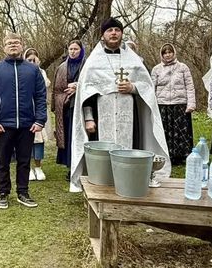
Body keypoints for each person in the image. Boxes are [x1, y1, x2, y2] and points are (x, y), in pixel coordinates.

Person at [71, 18, 170, 193]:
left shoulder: (134, 61)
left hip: (129, 116)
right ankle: (102, 187)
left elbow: (147, 87)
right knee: (101, 155)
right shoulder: (93, 62)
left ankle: (129, 183)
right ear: (103, 35)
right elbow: (86, 96)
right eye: (109, 30)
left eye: (117, 30)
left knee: (130, 150)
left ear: (122, 33)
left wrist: (133, 87)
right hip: (102, 116)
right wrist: (88, 118)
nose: (114, 33)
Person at [0, 33, 48, 209]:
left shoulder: (33, 70)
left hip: (27, 124)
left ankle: (23, 192)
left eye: (16, 43)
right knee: (3, 161)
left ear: (21, 46)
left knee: (24, 160)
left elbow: (41, 96)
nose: (13, 45)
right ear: (4, 47)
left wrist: (40, 119)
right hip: (3, 125)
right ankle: (3, 193)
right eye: (9, 43)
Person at [150, 44, 196, 166]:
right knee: (165, 131)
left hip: (180, 103)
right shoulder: (156, 69)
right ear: (162, 55)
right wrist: (152, 105)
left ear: (174, 53)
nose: (168, 54)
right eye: (165, 53)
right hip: (162, 104)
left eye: (170, 52)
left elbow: (190, 86)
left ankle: (182, 156)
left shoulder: (183, 67)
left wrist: (191, 103)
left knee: (181, 132)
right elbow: (152, 88)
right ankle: (167, 155)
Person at [53, 40, 85, 174]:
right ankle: (69, 166)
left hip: (81, 105)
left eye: (76, 49)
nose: (72, 52)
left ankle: (81, 165)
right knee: (67, 135)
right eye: (71, 49)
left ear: (81, 50)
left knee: (78, 135)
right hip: (65, 107)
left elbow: (91, 82)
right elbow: (56, 88)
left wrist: (78, 87)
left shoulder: (86, 65)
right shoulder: (62, 67)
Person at [23, 47, 52, 180]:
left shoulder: (41, 72)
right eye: (29, 60)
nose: (31, 62)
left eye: (34, 60)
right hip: (26, 111)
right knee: (26, 140)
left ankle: (38, 167)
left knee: (38, 140)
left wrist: (37, 69)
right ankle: (27, 168)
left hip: (38, 111)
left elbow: (44, 85)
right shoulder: (21, 71)